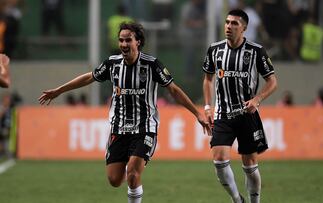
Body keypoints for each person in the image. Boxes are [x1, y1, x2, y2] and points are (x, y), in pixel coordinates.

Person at [39, 22, 211, 203]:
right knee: (114, 180)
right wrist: (59, 90)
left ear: (138, 42)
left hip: (145, 128)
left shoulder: (152, 65)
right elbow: (90, 77)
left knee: (133, 174)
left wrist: (197, 114)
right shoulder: (112, 64)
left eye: (128, 40)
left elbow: (174, 90)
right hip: (118, 130)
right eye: (121, 40)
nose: (123, 44)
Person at [202, 9, 277, 203]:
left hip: (247, 115)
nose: (229, 26)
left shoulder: (256, 51)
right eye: (227, 22)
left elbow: (272, 82)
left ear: (244, 28)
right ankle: (237, 200)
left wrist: (257, 99)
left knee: (250, 164)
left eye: (234, 23)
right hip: (223, 114)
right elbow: (208, 79)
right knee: (219, 161)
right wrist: (208, 107)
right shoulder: (215, 50)